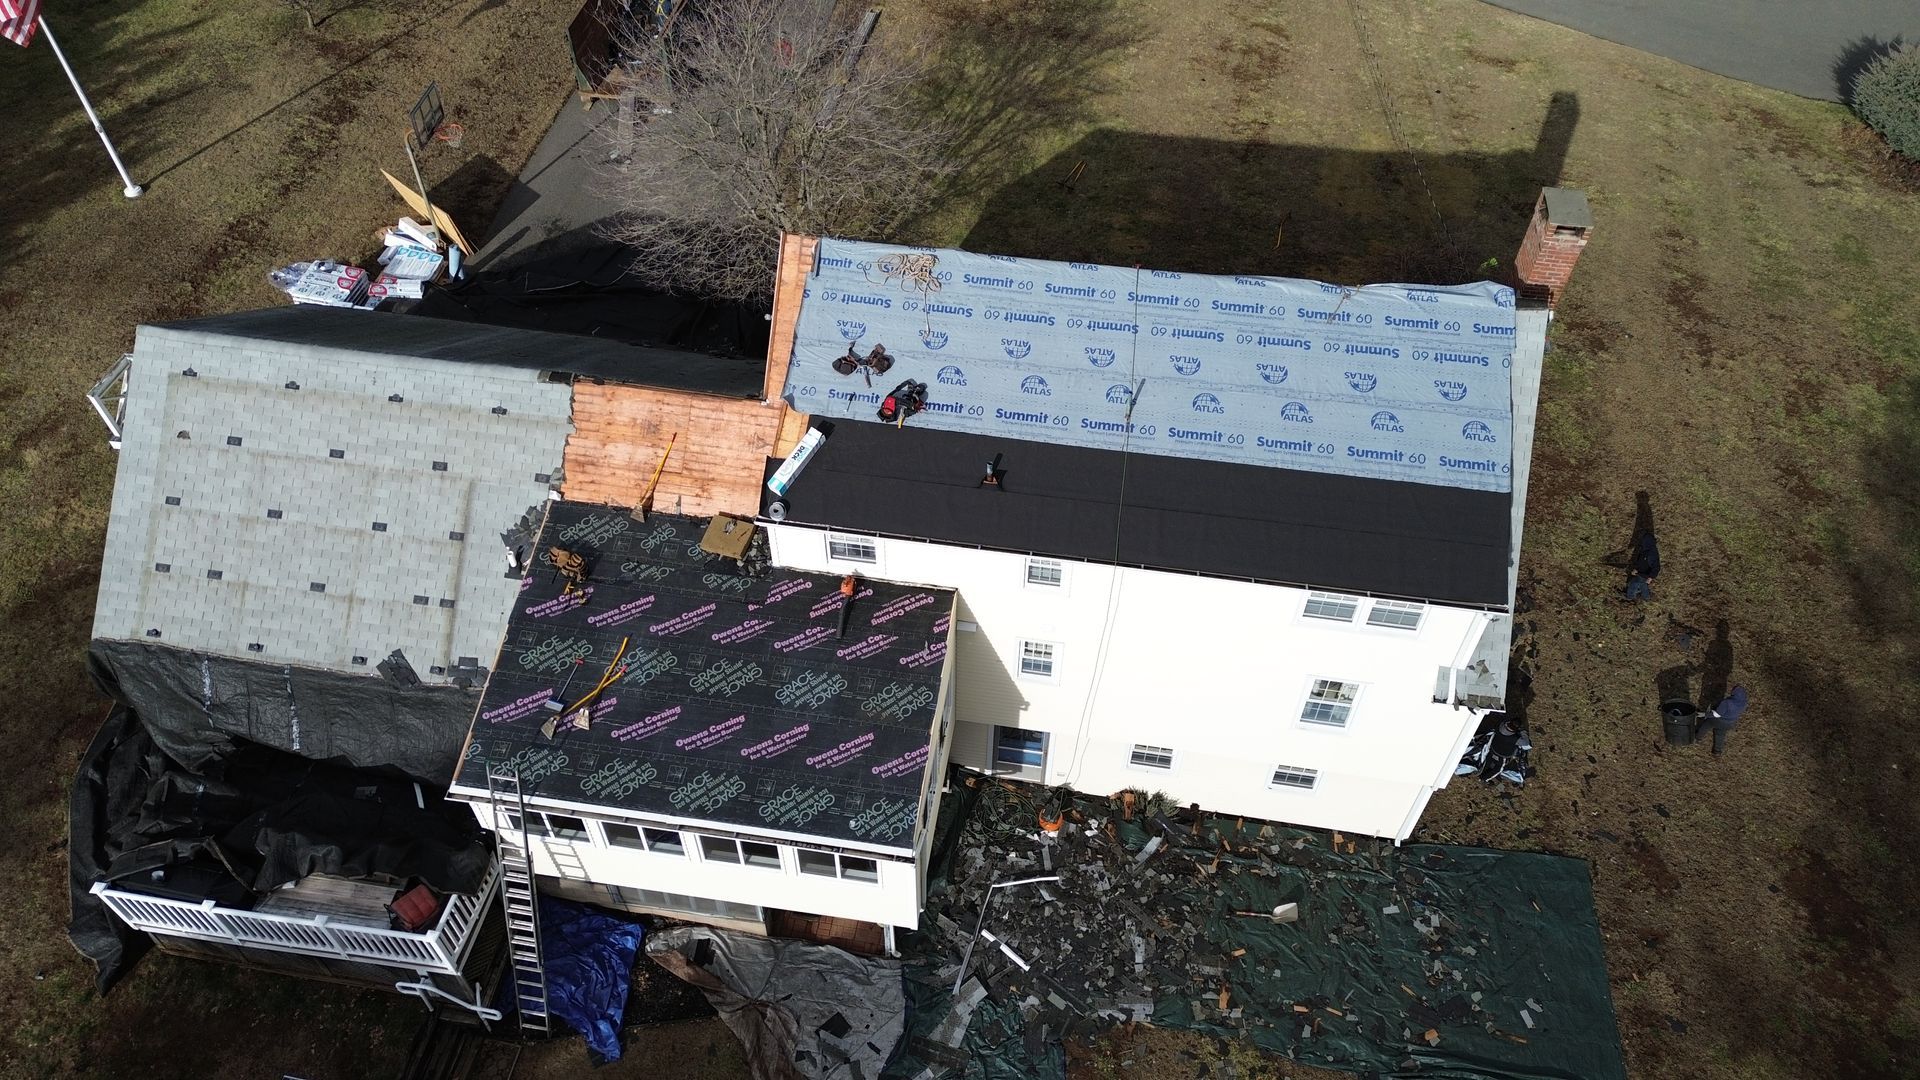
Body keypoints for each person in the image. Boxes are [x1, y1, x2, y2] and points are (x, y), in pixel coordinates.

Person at [1696, 685, 1748, 755]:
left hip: (1719, 720)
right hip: (1730, 723)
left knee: (1706, 724)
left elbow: (1717, 714)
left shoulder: (1727, 702)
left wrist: (1704, 714)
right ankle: (1717, 751)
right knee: (1720, 734)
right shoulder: (1744, 702)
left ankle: (1697, 737)